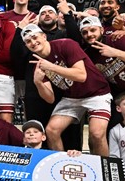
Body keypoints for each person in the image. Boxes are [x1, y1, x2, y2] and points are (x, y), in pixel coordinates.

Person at [22, 24, 112, 155]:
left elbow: (81, 76)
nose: (33, 42)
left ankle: (104, 171)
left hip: (96, 93)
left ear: (44, 36)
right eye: (28, 41)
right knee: (51, 130)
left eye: (35, 37)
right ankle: (59, 166)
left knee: (97, 134)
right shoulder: (36, 62)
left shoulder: (66, 44)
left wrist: (51, 67)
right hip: (72, 97)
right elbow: (50, 98)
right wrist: (38, 83)